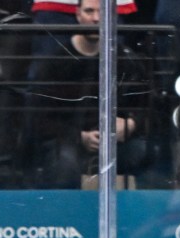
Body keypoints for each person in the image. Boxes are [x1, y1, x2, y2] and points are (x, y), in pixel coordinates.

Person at [23, 0, 152, 189]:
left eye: (102, 12)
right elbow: (40, 116)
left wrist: (130, 124)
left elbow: (147, 105)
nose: (96, 18)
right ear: (78, 14)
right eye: (89, 11)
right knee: (64, 163)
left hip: (115, 142)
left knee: (143, 153)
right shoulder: (55, 62)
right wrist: (79, 136)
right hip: (69, 141)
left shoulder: (125, 58)